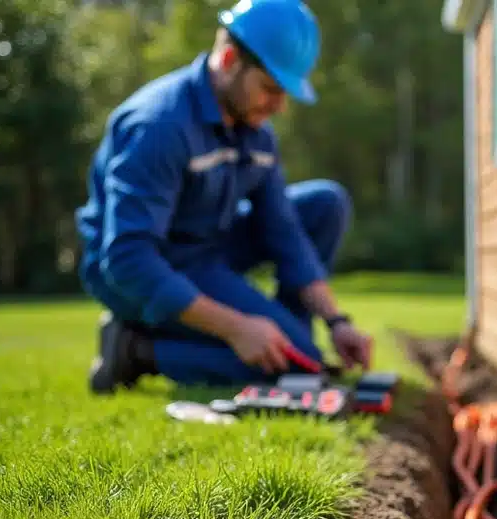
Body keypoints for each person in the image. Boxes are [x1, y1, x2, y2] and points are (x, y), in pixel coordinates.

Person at [76, 0, 373, 394]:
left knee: (325, 204)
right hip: (136, 271)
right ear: (230, 59)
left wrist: (337, 321)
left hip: (206, 250)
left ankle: (293, 347)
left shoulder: (255, 130)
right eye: (270, 89)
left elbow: (283, 229)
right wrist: (237, 327)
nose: (280, 107)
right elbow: (128, 259)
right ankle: (134, 349)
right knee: (298, 362)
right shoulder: (159, 126)